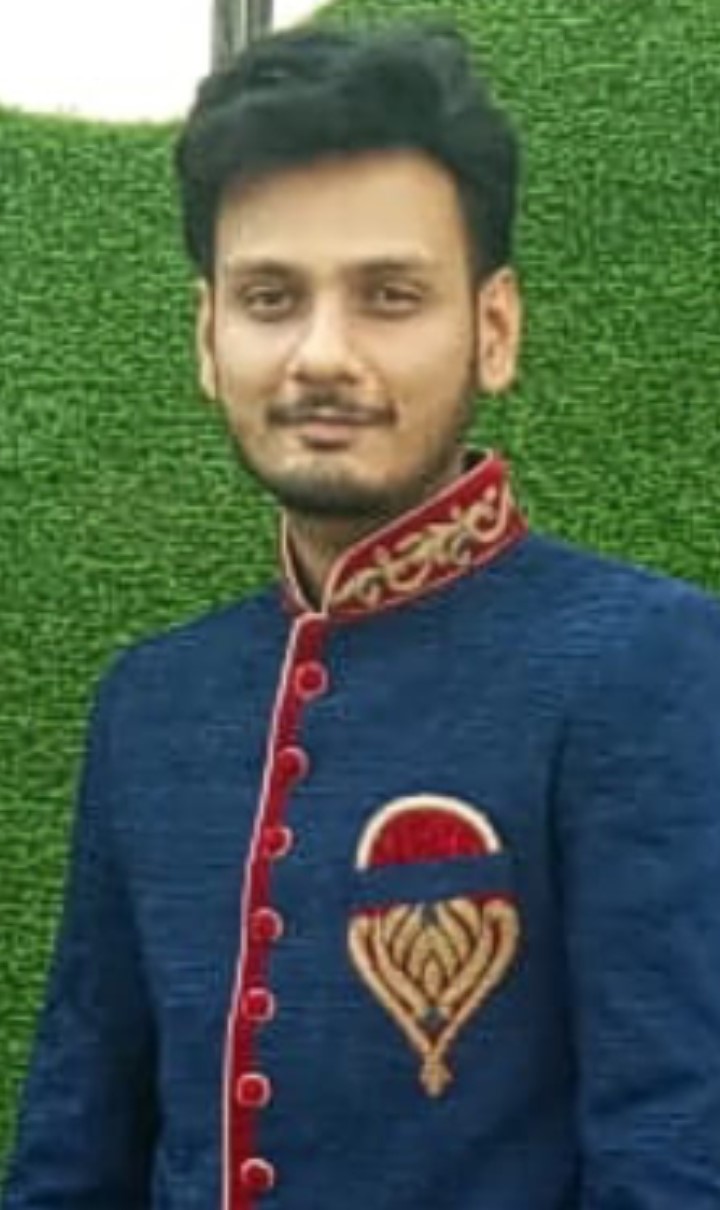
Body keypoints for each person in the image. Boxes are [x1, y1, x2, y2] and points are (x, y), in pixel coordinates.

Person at [3, 20, 720, 1210]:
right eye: (270, 297)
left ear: (494, 329)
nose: (321, 353)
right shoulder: (152, 702)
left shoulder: (650, 663)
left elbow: (679, 1148)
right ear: (208, 336)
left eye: (390, 296)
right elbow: (77, 1139)